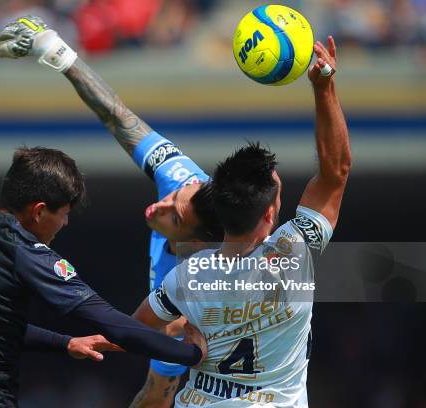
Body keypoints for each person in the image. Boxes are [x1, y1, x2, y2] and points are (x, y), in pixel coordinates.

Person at [0, 16, 226, 408]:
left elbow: (155, 368)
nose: (160, 203)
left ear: (196, 240)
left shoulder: (205, 287)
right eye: (174, 195)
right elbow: (118, 116)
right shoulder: (180, 175)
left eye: (173, 215)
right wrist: (56, 51)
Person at [0, 146, 207, 407]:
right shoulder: (21, 250)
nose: (66, 223)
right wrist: (190, 353)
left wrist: (64, 342)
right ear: (40, 211)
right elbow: (112, 323)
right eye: (65, 213)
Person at [132, 37, 351, 406]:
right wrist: (324, 86)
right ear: (269, 214)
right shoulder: (293, 253)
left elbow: (130, 331)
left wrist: (180, 342)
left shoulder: (187, 276)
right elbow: (336, 172)